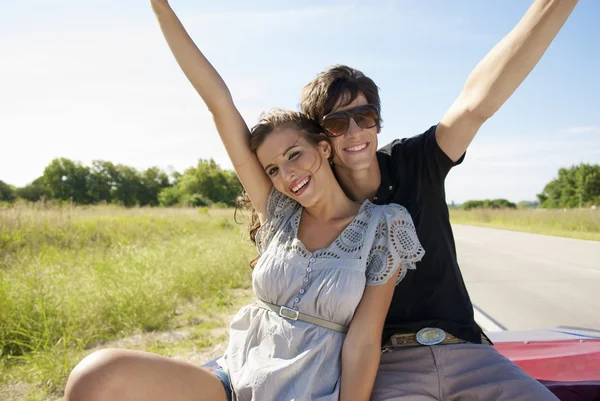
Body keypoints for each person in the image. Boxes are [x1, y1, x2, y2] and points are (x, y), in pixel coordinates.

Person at [62, 1, 425, 401]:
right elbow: (219, 103)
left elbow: (364, 342)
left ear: (323, 148)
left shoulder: (384, 226)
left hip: (306, 391)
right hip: (235, 377)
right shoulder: (280, 213)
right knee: (96, 375)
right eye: (271, 169)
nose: (287, 175)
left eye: (294, 155)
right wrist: (161, 9)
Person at [297, 1, 579, 400]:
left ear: (378, 120)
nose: (355, 130)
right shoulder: (318, 202)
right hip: (387, 366)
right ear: (321, 140)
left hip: (468, 351)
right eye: (337, 123)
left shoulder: (417, 160)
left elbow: (475, 102)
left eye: (366, 116)